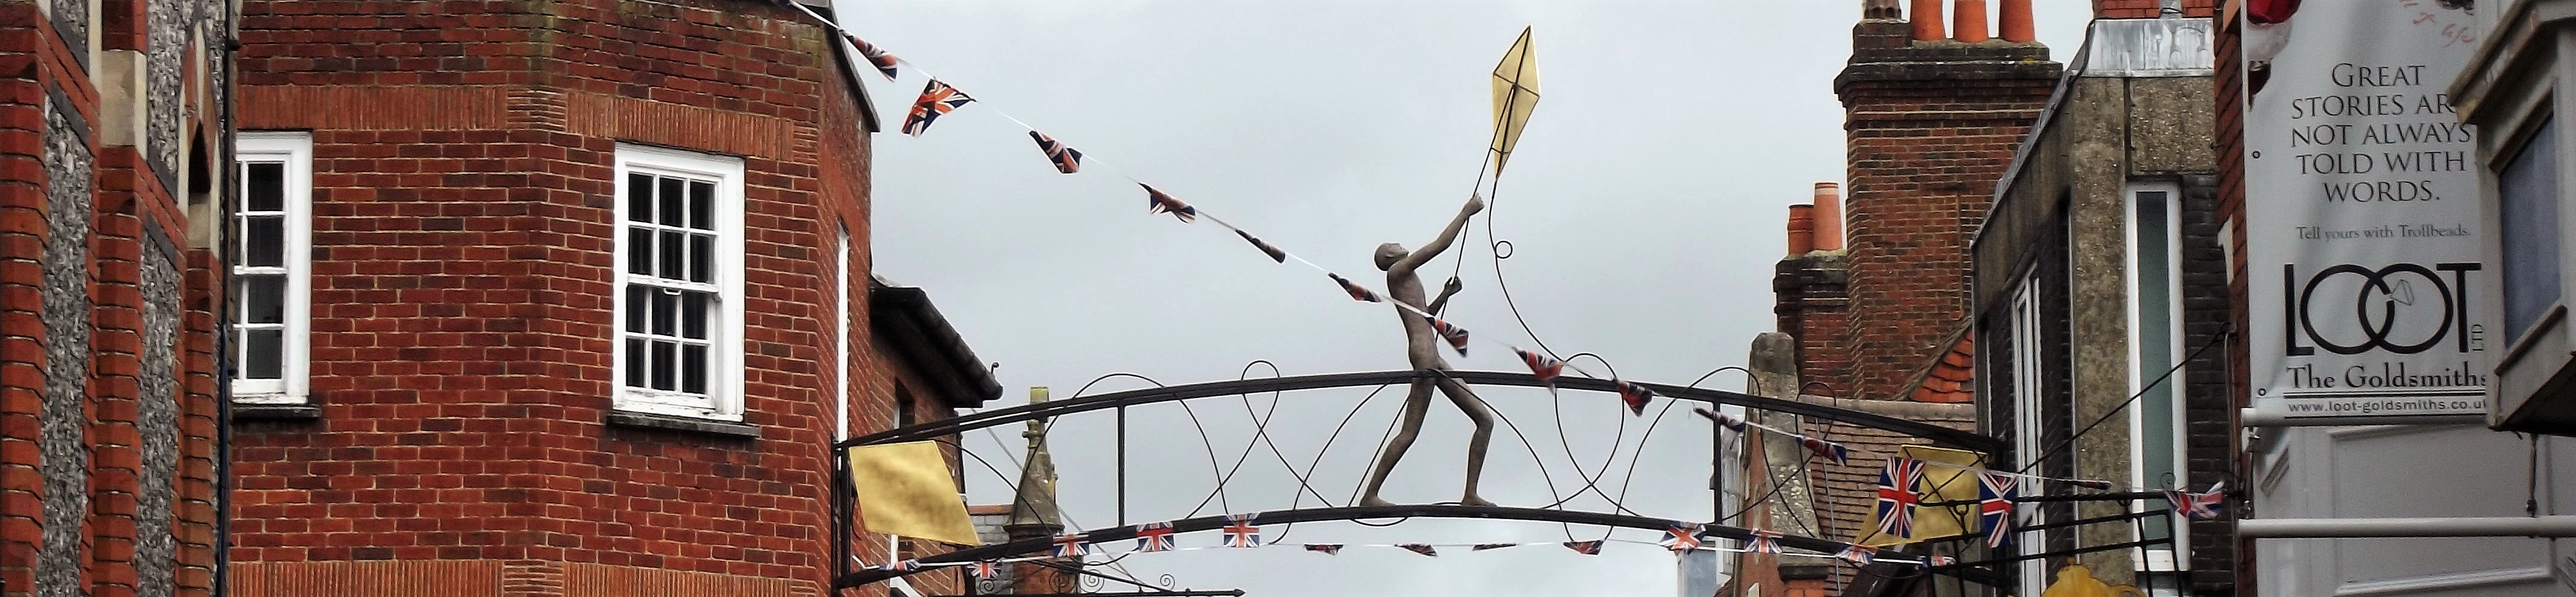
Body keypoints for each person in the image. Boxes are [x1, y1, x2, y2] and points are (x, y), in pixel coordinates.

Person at [1357, 193, 1499, 507]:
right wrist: (1465, 212)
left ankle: (1470, 495)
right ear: (1390, 258)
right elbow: (1440, 246)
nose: (1398, 243)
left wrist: (1445, 294)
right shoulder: (1397, 273)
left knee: (1484, 420)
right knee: (1409, 432)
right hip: (1424, 355)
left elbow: (1423, 315)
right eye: (1392, 246)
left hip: (1430, 353)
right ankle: (1370, 495)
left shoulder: (1405, 279)